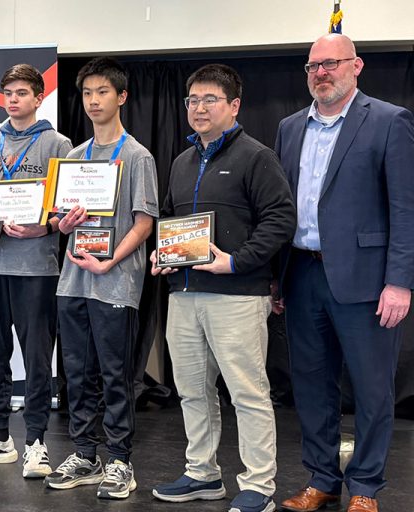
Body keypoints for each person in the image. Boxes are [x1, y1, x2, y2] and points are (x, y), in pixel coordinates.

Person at [275, 34, 414, 512]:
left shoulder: (390, 121)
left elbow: (406, 208)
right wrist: (276, 277)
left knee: (372, 390)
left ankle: (366, 488)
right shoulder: (290, 128)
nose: (321, 73)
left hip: (368, 280)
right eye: (313, 66)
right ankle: (322, 480)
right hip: (301, 274)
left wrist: (400, 281)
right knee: (312, 387)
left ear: (356, 66)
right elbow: (280, 209)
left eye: (331, 63)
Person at [150, 64, 295, 512]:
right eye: (192, 100)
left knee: (248, 393)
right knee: (193, 390)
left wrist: (236, 261)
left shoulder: (257, 156)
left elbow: (280, 220)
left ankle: (259, 485)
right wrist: (162, 254)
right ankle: (202, 473)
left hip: (238, 295)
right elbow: (171, 220)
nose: (199, 108)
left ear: (234, 106)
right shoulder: (181, 161)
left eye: (210, 99)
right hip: (184, 294)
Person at [43, 57, 160, 500]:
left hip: (115, 281)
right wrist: (64, 223)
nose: (93, 101)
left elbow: (144, 224)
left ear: (121, 96)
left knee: (115, 375)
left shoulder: (137, 156)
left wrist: (110, 261)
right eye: (87, 93)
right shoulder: (73, 157)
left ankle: (120, 460)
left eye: (103, 92)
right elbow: (57, 220)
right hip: (73, 280)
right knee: (76, 373)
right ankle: (85, 454)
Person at [0, 64, 72, 477]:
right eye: (8, 93)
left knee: (37, 357)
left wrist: (46, 227)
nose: (14, 100)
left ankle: (36, 442)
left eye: (22, 92)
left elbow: (65, 208)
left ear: (39, 97)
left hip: (35, 269)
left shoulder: (58, 144)